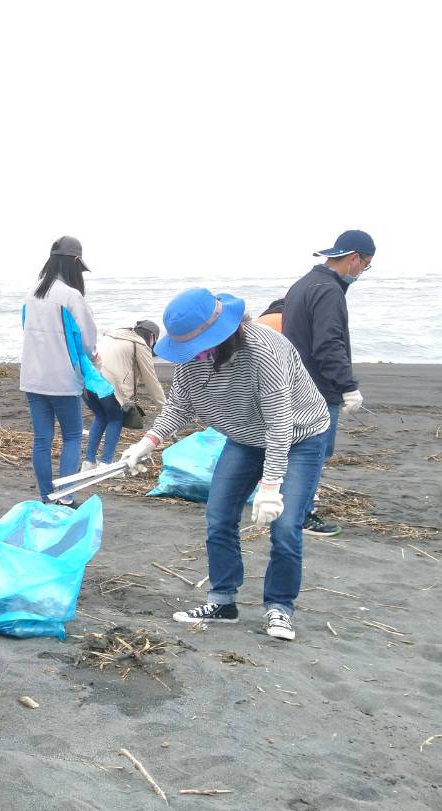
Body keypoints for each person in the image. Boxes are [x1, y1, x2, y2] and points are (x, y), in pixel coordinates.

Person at [118, 288, 332, 642]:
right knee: (218, 515)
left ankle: (279, 607)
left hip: (298, 437)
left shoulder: (264, 350)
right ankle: (223, 600)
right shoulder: (193, 358)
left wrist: (270, 485)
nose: (196, 355)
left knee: (285, 525)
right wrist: (148, 441)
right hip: (245, 439)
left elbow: (279, 423)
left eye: (202, 345)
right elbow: (180, 405)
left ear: (227, 332)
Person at [279, 229, 375, 537]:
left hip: (294, 382)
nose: (363, 272)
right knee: (315, 452)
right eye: (366, 264)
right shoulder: (329, 290)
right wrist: (347, 385)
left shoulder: (303, 284)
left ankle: (285, 507)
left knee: (295, 448)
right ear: (353, 258)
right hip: (318, 389)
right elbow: (328, 344)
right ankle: (302, 515)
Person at [20, 236, 98, 503]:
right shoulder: (71, 296)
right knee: (72, 437)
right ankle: (65, 498)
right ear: (75, 262)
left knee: (42, 439)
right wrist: (91, 358)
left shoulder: (32, 293)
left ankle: (46, 496)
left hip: (32, 378)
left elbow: (25, 329)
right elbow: (87, 339)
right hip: (63, 381)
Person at [85, 319, 166, 469]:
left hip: (87, 384)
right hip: (108, 386)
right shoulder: (140, 344)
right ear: (152, 337)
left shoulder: (110, 336)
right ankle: (106, 463)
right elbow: (151, 380)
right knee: (116, 419)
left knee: (101, 417)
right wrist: (165, 407)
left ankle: (89, 462)